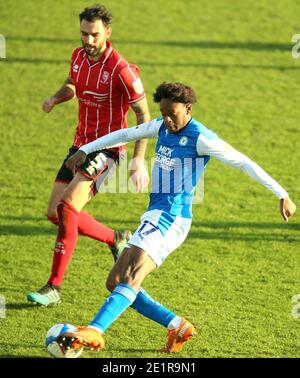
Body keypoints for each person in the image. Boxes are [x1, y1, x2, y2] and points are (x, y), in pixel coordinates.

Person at [56, 82, 296, 354]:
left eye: (173, 113)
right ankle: (177, 325)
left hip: (171, 218)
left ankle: (96, 331)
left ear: (188, 108)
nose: (168, 119)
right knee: (114, 282)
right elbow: (125, 133)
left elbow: (243, 162)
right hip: (156, 215)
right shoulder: (160, 126)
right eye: (164, 112)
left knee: (131, 276)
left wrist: (282, 193)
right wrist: (85, 149)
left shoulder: (200, 137)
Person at [27, 4, 151, 306]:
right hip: (80, 146)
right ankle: (116, 237)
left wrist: (137, 160)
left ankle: (54, 287)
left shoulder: (122, 70)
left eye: (94, 34)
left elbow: (144, 115)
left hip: (108, 148)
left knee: (68, 207)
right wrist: (56, 98)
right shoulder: (78, 57)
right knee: (54, 212)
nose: (88, 40)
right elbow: (72, 84)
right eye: (84, 33)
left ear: (107, 33)